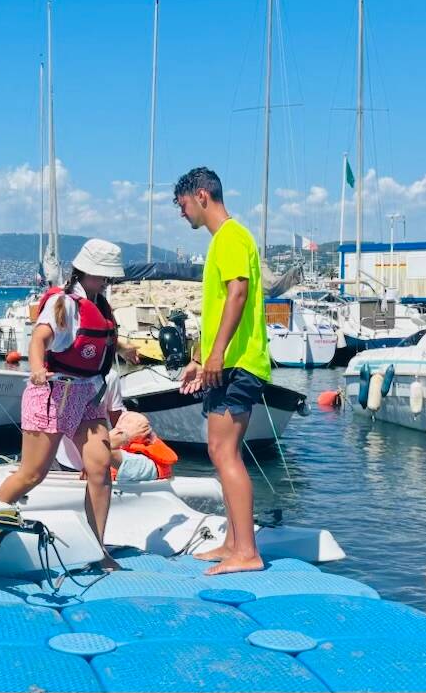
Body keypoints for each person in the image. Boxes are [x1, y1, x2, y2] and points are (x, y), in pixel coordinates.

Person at [0, 238, 142, 569]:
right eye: (102, 276)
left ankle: (96, 550)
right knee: (32, 474)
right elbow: (39, 339)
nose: (106, 283)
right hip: (52, 393)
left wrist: (123, 350)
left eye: (108, 278)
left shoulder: (100, 306)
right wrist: (35, 369)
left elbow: (97, 342)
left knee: (100, 467)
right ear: (85, 272)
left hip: (87, 394)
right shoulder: (63, 304)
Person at [172, 167, 271, 575]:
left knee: (223, 451)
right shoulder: (226, 240)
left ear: (201, 196)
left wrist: (218, 355)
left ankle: (247, 551)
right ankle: (233, 542)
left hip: (238, 362)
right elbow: (221, 307)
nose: (182, 214)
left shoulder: (230, 236)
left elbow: (238, 293)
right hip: (229, 361)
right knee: (220, 451)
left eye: (182, 206)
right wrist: (202, 357)